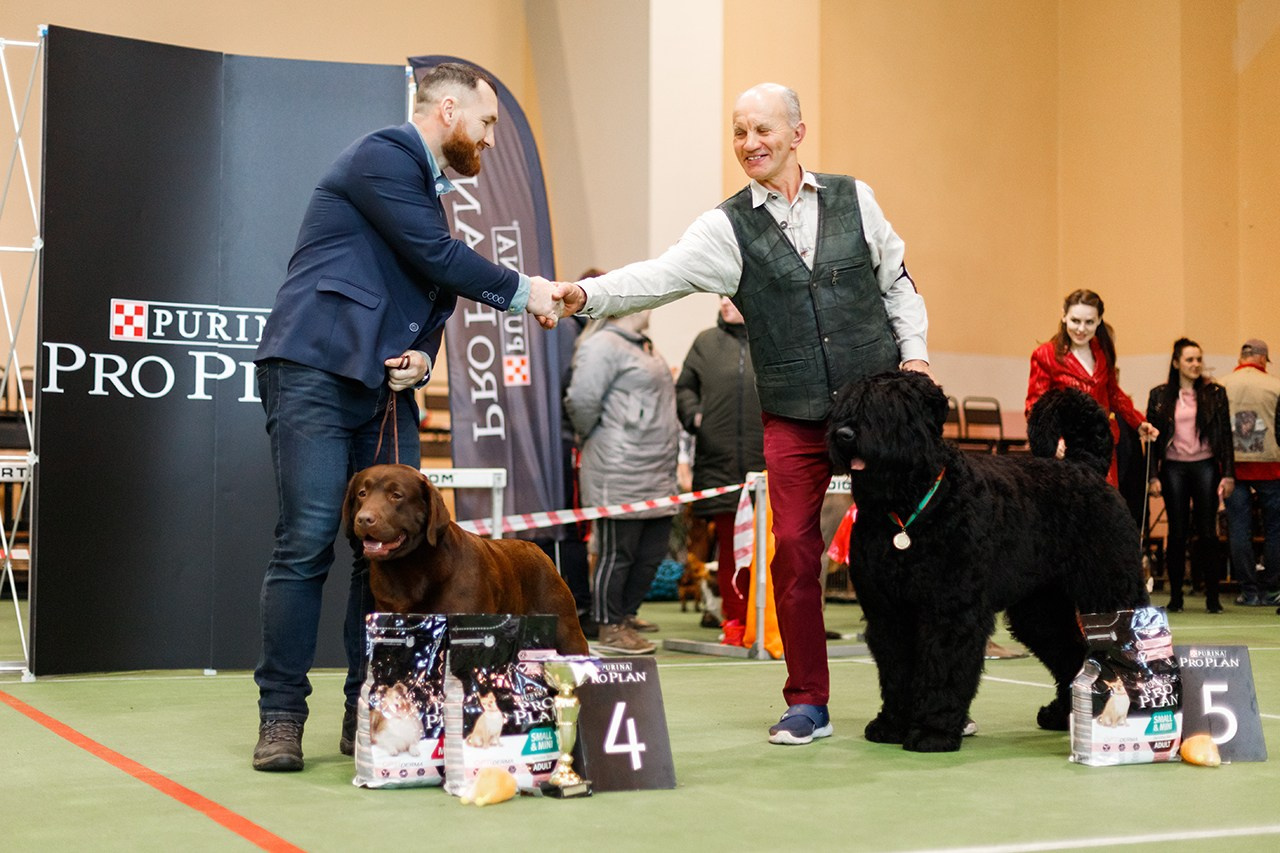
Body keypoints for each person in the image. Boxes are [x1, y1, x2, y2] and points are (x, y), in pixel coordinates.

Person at [555, 82, 930, 745]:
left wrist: (918, 357)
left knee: (908, 546)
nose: (749, 143)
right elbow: (659, 275)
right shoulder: (726, 227)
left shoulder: (855, 197)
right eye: (738, 132)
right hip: (791, 415)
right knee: (792, 550)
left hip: (879, 405)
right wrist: (585, 292)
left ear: (796, 134)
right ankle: (808, 700)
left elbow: (897, 282)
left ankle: (926, 690)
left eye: (761, 130)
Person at [250, 62, 562, 772]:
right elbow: (437, 258)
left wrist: (423, 355)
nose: (488, 140)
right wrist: (528, 289)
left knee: (384, 552)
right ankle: (281, 717)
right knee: (305, 543)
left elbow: (431, 293)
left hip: (381, 387)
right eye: (485, 125)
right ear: (448, 110)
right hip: (314, 368)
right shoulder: (385, 154)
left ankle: (373, 711)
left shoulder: (423, 190)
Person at [564, 310, 679, 655]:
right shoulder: (601, 345)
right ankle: (609, 623)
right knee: (618, 551)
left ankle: (625, 615)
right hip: (618, 467)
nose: (652, 307)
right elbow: (582, 403)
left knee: (651, 552)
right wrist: (605, 437)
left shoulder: (644, 346)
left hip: (657, 468)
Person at [675, 296, 766, 645]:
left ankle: (771, 624)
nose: (726, 301)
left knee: (772, 549)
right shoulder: (705, 343)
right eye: (721, 296)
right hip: (719, 465)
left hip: (765, 464)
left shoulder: (769, 338)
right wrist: (696, 417)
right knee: (731, 549)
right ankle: (736, 622)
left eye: (732, 294)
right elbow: (684, 387)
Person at [1025, 289, 1157, 488]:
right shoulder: (1045, 354)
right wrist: (1053, 441)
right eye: (1075, 321)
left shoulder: (1103, 350)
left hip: (1102, 445)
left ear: (1099, 320)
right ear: (1064, 316)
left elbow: (1113, 392)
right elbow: (1036, 406)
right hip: (1066, 449)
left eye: (1089, 322)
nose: (1081, 329)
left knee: (1105, 507)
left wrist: (1138, 422)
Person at [1145, 338, 1234, 613]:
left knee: (1208, 532)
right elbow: (1151, 441)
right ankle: (1176, 598)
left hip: (1206, 465)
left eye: (1199, 359)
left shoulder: (1215, 393)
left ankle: (1213, 598)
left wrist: (1228, 474)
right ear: (1176, 363)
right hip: (1173, 468)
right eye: (1189, 360)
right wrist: (1152, 476)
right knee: (1178, 532)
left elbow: (1227, 438)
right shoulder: (1159, 395)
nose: (1196, 365)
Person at [1217, 339, 1280, 608]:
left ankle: (1248, 591)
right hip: (1271, 465)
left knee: (1239, 528)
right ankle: (1273, 589)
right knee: (1276, 529)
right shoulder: (1276, 385)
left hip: (1232, 467)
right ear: (1263, 358)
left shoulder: (1221, 385)